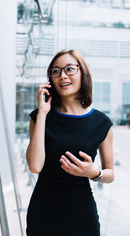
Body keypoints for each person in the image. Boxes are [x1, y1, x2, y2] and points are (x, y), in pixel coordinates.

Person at [26, 49, 114, 236]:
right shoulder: (39, 117)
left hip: (82, 214)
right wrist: (42, 113)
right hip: (44, 212)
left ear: (83, 73)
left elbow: (110, 173)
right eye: (56, 71)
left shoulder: (102, 123)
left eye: (69, 69)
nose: (63, 75)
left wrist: (94, 173)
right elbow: (35, 166)